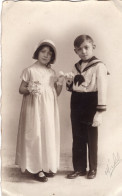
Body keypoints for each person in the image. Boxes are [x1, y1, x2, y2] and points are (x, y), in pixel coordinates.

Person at [15, 40, 64, 182]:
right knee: (35, 133)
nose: (46, 55)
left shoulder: (51, 72)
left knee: (46, 133)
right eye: (43, 52)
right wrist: (30, 89)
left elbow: (56, 93)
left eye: (50, 53)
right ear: (37, 53)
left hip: (48, 109)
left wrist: (60, 81)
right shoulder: (30, 70)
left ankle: (46, 165)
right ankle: (36, 168)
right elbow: (21, 89)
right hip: (34, 108)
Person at [66, 35, 108, 179]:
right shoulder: (75, 66)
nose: (83, 51)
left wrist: (99, 112)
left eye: (86, 47)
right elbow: (73, 87)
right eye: (79, 49)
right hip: (77, 102)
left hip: (91, 102)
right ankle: (79, 168)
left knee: (91, 137)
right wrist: (67, 81)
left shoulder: (99, 66)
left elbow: (102, 89)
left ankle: (93, 168)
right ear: (75, 51)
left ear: (93, 47)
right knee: (77, 137)